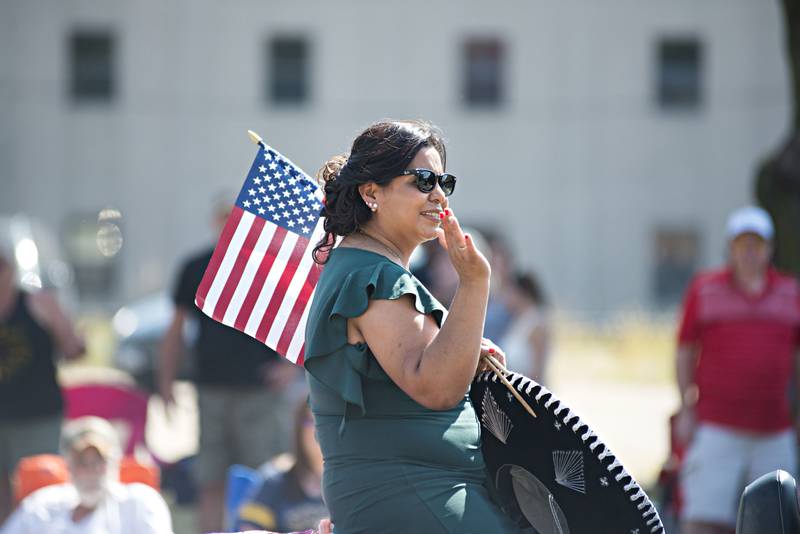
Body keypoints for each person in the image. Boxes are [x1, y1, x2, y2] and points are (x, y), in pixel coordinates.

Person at [303, 119, 521, 533]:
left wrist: (462, 351)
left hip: (419, 493)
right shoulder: (373, 276)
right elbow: (436, 387)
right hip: (416, 496)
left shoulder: (366, 268)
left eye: (444, 181)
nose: (438, 194)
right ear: (371, 192)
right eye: (423, 180)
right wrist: (475, 282)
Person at [158, 198, 299, 533]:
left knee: (265, 480)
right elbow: (175, 330)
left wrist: (290, 367)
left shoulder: (268, 265)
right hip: (211, 389)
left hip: (259, 393)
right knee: (210, 480)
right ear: (215, 222)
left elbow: (297, 314)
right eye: (224, 219)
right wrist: (165, 382)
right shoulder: (196, 266)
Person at [675, 206, 800, 534]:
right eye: (742, 244)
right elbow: (685, 350)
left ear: (769, 249)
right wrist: (687, 407)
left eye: (756, 245)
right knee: (703, 519)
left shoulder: (791, 292)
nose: (749, 253)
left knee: (778, 521)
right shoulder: (705, 288)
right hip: (718, 426)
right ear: (730, 248)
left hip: (774, 429)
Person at [0, 240, 85, 523]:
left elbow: (73, 350)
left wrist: (62, 322)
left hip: (36, 415)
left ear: (10, 270)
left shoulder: (38, 302)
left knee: (40, 493)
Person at [0, 416, 173, 534]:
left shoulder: (140, 502)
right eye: (82, 462)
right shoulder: (41, 506)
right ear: (68, 466)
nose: (92, 471)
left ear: (115, 463)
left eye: (100, 461)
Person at [234, 399, 327, 532]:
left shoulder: (356, 481)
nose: (319, 430)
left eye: (328, 420)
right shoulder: (274, 479)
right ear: (298, 428)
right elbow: (248, 529)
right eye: (311, 421)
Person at [499, 271, 551, 384]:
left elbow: (538, 371)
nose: (506, 297)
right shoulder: (517, 320)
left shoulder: (536, 324)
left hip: (529, 394)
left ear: (522, 293)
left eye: (510, 292)